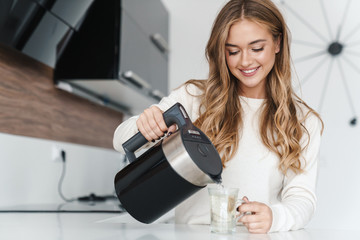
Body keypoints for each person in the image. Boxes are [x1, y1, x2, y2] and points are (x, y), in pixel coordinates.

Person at [113, 0, 323, 234]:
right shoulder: (193, 98)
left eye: (256, 48)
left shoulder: (303, 122)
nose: (245, 61)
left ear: (277, 43)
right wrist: (148, 125)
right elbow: (120, 140)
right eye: (233, 51)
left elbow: (302, 199)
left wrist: (276, 217)